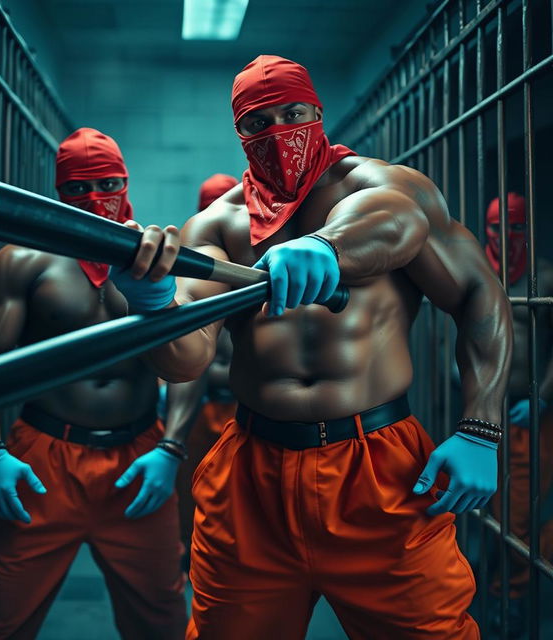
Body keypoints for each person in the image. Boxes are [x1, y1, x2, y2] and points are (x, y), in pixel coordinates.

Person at [111, 55, 513, 639]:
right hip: (252, 474)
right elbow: (188, 359)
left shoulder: (384, 186)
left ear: (318, 112)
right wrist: (152, 305)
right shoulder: (219, 226)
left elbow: (457, 275)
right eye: (257, 123)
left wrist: (481, 429)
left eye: (292, 114)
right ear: (239, 133)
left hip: (376, 468)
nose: (277, 133)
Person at [0, 128, 187, 639]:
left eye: (108, 183)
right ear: (59, 193)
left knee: (163, 618)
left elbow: (188, 354)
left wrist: (171, 448)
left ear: (126, 180)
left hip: (138, 454)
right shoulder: (24, 260)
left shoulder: (158, 262)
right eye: (79, 189)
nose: (95, 198)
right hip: (44, 457)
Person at [484, 193, 553, 637]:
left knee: (519, 513)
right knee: (488, 509)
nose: (508, 237)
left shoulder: (544, 277)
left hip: (530, 413)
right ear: (485, 229)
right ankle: (499, 593)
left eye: (517, 227)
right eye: (498, 227)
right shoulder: (474, 270)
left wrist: (544, 396)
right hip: (481, 411)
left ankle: (513, 600)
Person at [165, 173, 239, 560]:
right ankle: (189, 556)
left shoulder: (255, 268)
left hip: (242, 409)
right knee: (192, 491)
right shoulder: (196, 269)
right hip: (205, 404)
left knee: (239, 500)